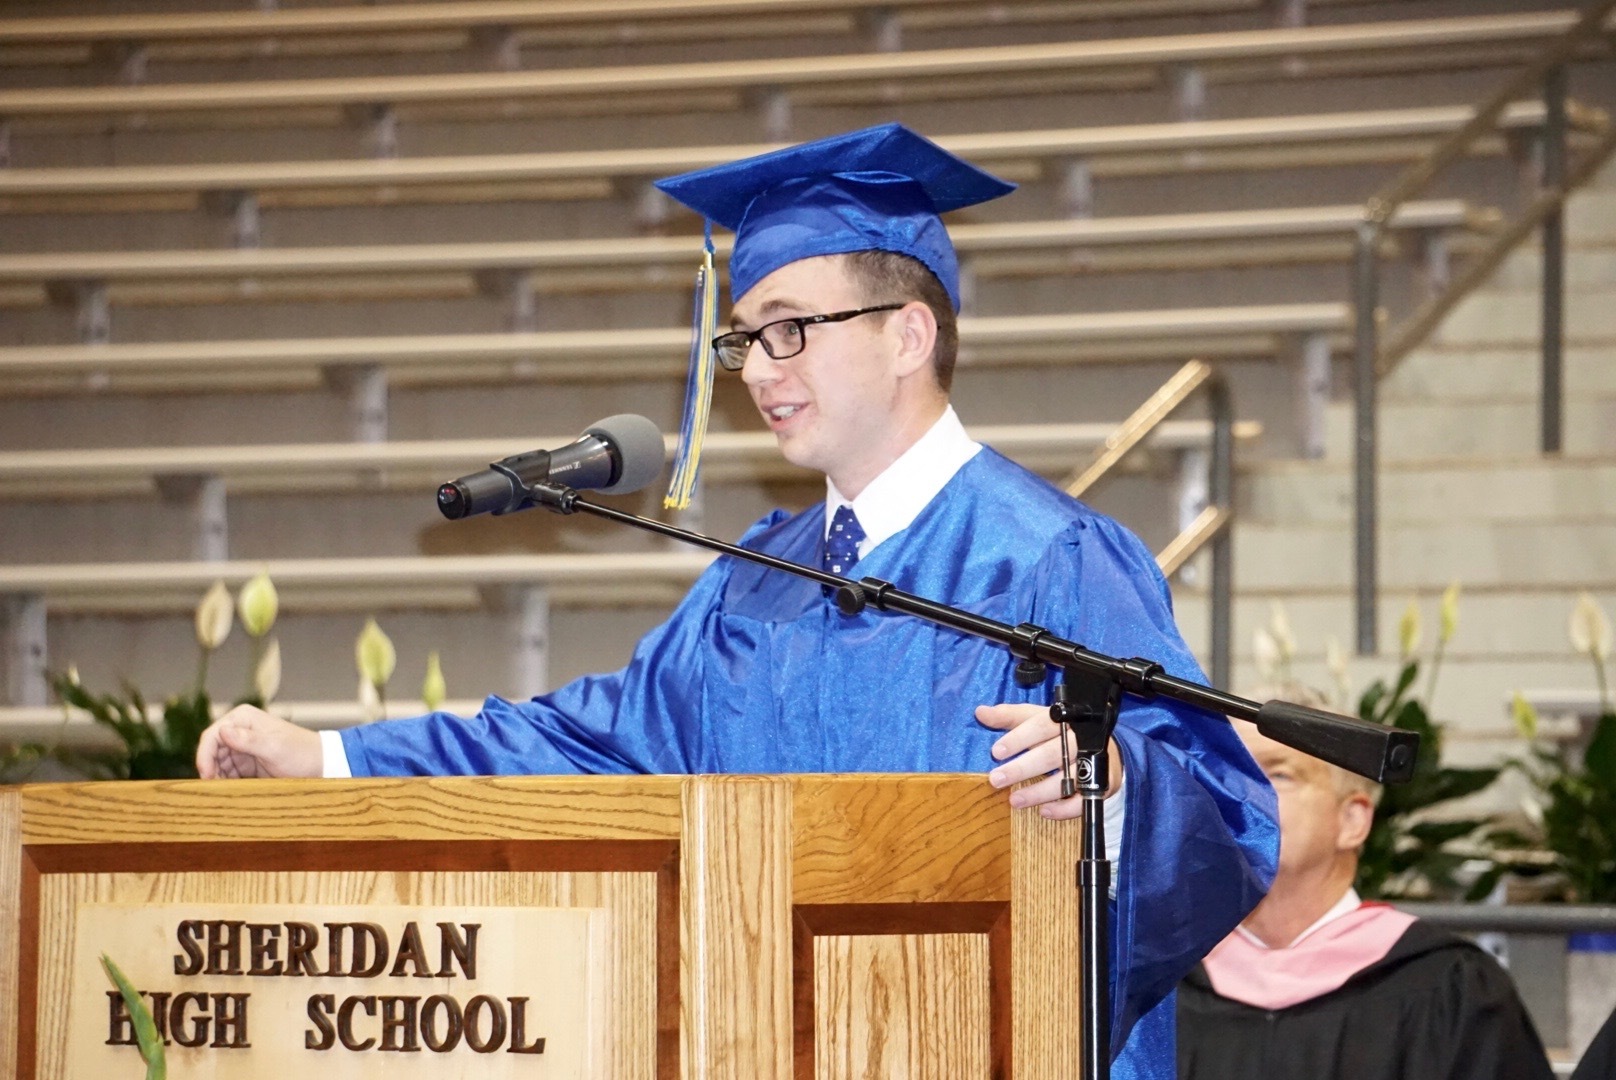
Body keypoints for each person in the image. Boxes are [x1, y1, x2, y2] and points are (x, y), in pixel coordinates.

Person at [196, 123, 1279, 1078]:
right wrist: (331, 760)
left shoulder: (1048, 559)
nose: (758, 371)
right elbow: (593, 743)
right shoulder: (756, 582)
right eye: (745, 337)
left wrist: (1116, 782)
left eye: (790, 329)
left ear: (907, 333)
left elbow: (1229, 820)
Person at [1178, 709, 1553, 1080]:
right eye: (1225, 772)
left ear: (1352, 820)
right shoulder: (1164, 979)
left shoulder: (1448, 989)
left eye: (1279, 773)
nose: (1240, 792)